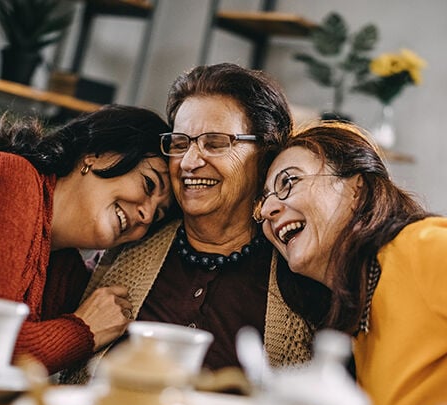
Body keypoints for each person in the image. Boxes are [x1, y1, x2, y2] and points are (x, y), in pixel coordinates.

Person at [62, 62, 313, 384]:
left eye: (216, 143)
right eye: (180, 143)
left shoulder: (298, 265)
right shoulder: (125, 245)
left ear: (265, 152)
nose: (190, 163)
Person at [254, 120, 447, 405]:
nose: (270, 209)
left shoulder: (421, 247)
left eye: (289, 183)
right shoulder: (356, 308)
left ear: (356, 189)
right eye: (264, 202)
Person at [0, 105, 174, 374]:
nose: (146, 215)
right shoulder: (2, 178)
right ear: (98, 155)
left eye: (158, 215)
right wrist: (82, 331)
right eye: (148, 184)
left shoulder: (62, 266)